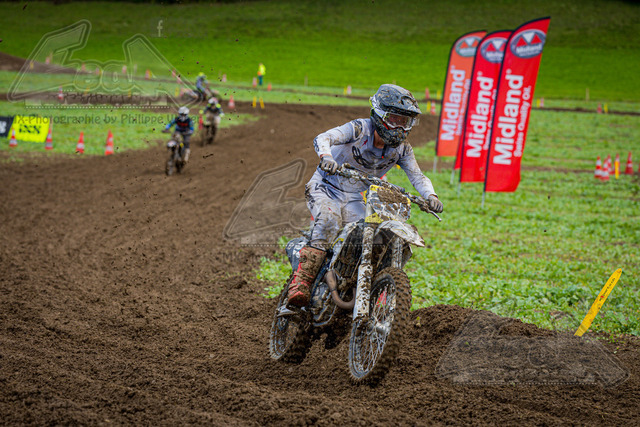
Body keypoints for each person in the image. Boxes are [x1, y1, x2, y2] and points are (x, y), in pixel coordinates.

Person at [287, 84, 444, 307]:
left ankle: (350, 282)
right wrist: (326, 157)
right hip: (325, 186)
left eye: (405, 122)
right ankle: (300, 283)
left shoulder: (402, 149)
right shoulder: (359, 129)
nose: (400, 127)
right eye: (395, 119)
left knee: (369, 234)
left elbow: (417, 176)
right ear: (380, 115)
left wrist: (431, 196)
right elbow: (324, 137)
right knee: (329, 221)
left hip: (353, 196)